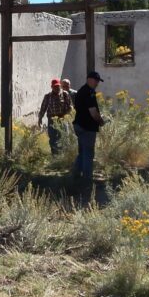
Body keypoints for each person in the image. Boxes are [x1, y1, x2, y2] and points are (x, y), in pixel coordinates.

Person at [71, 70, 105, 204]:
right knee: (88, 154)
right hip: (87, 127)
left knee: (82, 152)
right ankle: (87, 181)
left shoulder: (81, 90)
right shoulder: (89, 92)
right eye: (96, 80)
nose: (97, 83)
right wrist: (100, 121)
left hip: (79, 125)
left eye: (98, 81)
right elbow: (93, 112)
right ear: (89, 79)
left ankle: (75, 175)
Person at [37, 77, 72, 155]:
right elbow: (43, 108)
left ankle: (63, 155)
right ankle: (55, 155)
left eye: (58, 86)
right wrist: (40, 119)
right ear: (52, 87)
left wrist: (65, 115)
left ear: (60, 86)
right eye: (55, 86)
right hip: (51, 120)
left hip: (62, 119)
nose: (57, 88)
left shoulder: (65, 94)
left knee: (63, 137)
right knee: (53, 138)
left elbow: (70, 107)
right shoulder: (47, 96)